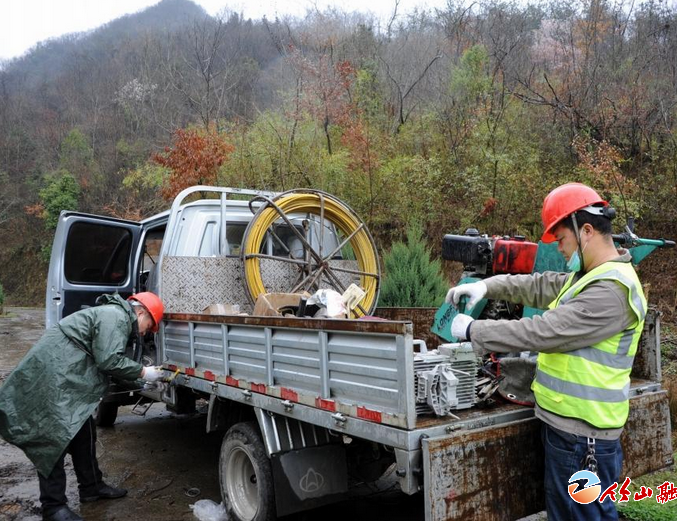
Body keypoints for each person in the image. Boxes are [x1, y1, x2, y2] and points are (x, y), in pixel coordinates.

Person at [447, 183, 646, 521]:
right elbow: (537, 285)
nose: (560, 249)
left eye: (562, 239)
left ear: (585, 231)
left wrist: (472, 330)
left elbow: (543, 331)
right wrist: (486, 285)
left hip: (584, 441)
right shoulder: (587, 276)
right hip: (570, 432)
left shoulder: (611, 292)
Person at [0, 292, 166, 521]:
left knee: (83, 430)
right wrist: (144, 371)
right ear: (141, 312)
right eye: (150, 325)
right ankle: (53, 506)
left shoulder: (115, 316)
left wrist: (142, 380)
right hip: (54, 377)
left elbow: (109, 365)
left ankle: (91, 487)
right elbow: (109, 360)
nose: (147, 331)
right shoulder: (116, 316)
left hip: (65, 374)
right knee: (52, 437)